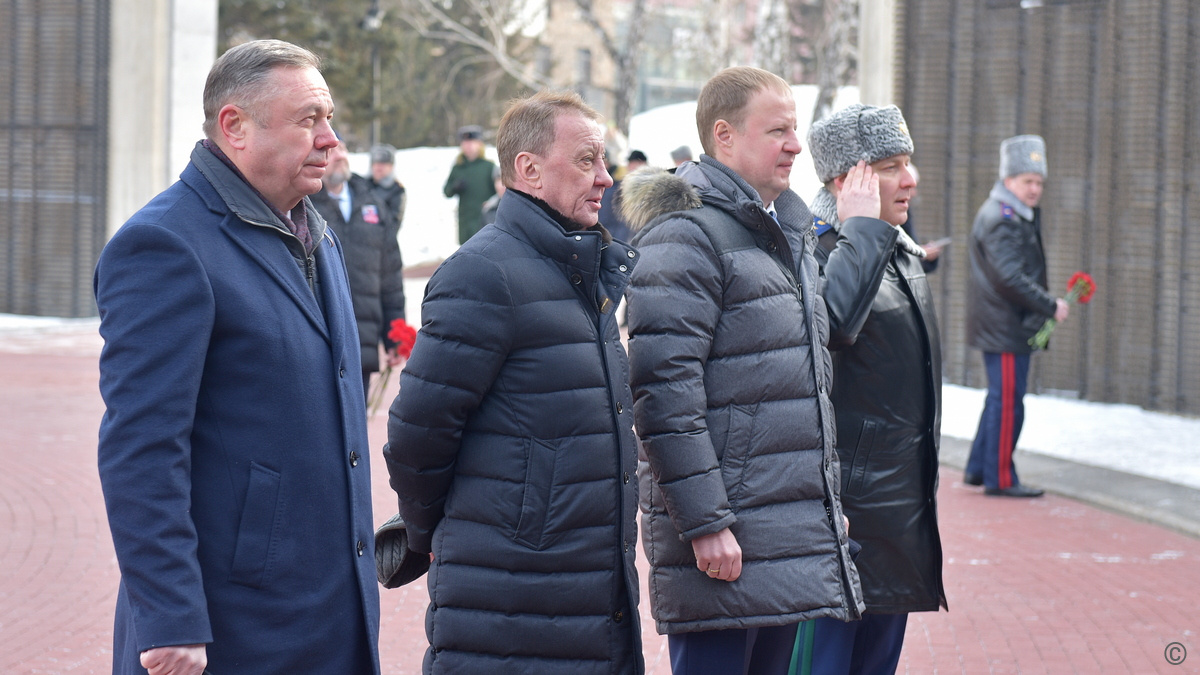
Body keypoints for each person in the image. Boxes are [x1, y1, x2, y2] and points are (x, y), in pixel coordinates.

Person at [93, 39, 379, 675]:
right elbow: (141, 448)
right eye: (308, 119)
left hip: (330, 614)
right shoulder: (165, 245)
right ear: (235, 127)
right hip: (230, 629)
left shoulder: (315, 233)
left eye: (329, 118)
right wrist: (170, 616)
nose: (330, 139)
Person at [620, 66, 899, 675]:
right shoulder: (685, 236)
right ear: (724, 135)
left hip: (780, 537)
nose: (796, 145)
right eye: (778, 131)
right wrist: (705, 524)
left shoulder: (783, 231)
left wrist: (820, 509)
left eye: (795, 129)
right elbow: (665, 397)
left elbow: (807, 377)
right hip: (724, 546)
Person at [384, 90, 643, 674]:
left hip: (584, 594)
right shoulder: (484, 274)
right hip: (510, 600)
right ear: (528, 169)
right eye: (586, 160)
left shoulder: (583, 269)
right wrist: (428, 532)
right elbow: (418, 434)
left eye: (604, 161)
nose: (605, 178)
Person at [798, 103, 946, 674]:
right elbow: (832, 327)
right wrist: (859, 228)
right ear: (846, 181)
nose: (910, 179)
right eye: (890, 167)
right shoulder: (816, 251)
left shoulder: (897, 249)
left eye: (908, 162)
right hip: (846, 520)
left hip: (897, 515)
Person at [964, 134, 1068, 498]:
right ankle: (1001, 478)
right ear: (1008, 180)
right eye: (1028, 181)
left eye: (1039, 182)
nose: (1035, 189)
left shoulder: (1009, 213)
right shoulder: (1003, 218)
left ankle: (979, 468)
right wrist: (1050, 305)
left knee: (1000, 398)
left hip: (1002, 323)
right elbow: (1009, 277)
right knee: (1008, 403)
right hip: (1005, 326)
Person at [311, 136, 407, 399]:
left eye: (342, 149)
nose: (340, 155)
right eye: (330, 150)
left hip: (361, 346)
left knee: (357, 421)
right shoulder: (302, 206)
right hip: (317, 348)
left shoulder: (372, 204)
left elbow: (390, 276)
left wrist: (395, 336)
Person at [442, 124, 498, 243]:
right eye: (464, 143)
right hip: (465, 221)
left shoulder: (488, 167)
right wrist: (455, 187)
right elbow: (447, 192)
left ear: (479, 144)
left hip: (485, 222)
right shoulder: (458, 167)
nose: (468, 146)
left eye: (471, 142)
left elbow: (499, 193)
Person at [900, 165, 944, 274]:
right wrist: (920, 254)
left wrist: (922, 254)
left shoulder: (906, 214)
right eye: (910, 187)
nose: (914, 193)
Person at [367, 142, 407, 229]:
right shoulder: (362, 185)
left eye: (383, 164)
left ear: (391, 166)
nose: (379, 167)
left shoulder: (397, 190)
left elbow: (393, 225)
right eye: (376, 163)